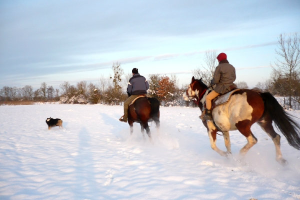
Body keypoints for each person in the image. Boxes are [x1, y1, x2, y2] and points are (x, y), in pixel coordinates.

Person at [202, 52, 236, 120]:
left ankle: (208, 114)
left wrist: (212, 82)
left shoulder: (219, 67)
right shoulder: (232, 67)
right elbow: (234, 77)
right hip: (232, 87)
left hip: (221, 88)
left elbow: (216, 80)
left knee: (208, 98)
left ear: (220, 59)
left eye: (218, 60)